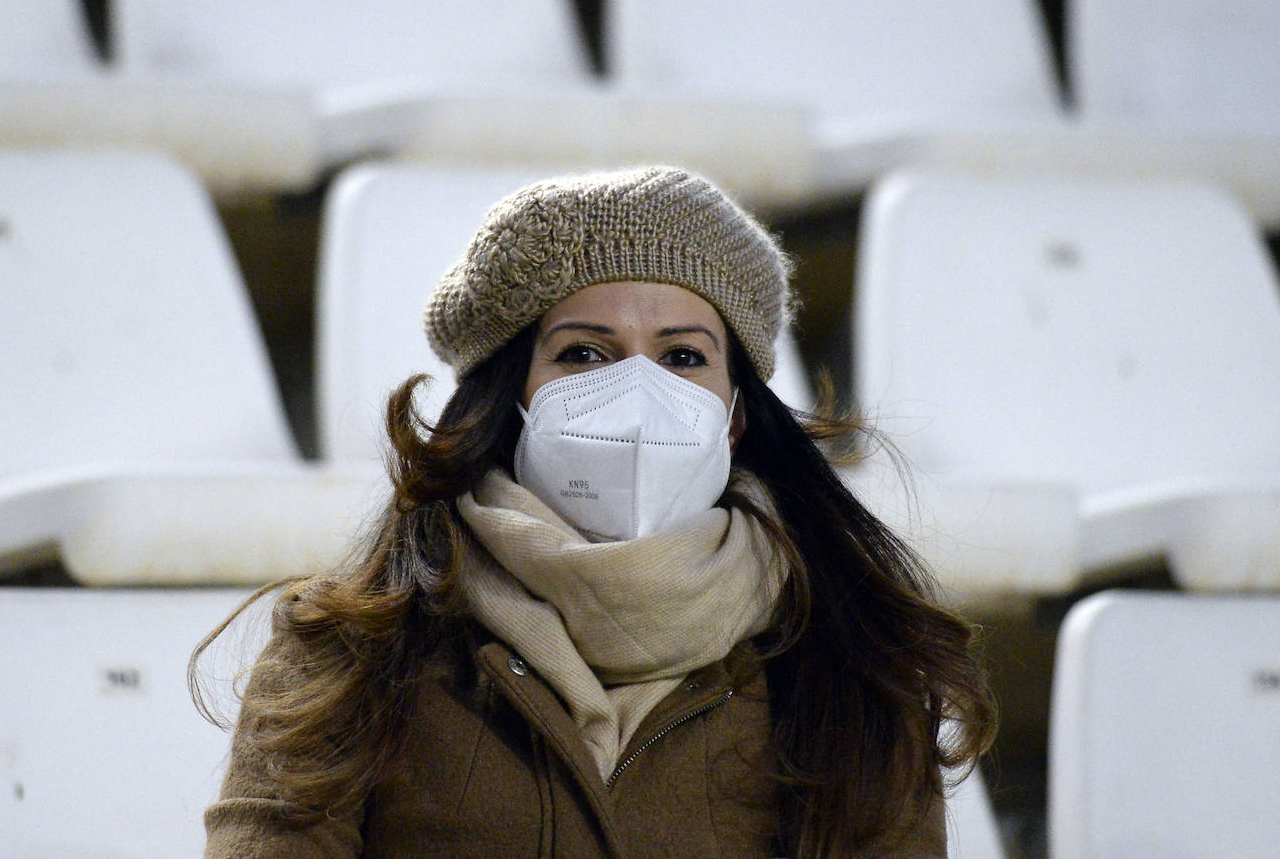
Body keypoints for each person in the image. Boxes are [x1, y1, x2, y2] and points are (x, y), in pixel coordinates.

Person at [196, 166, 995, 857]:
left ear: (736, 416)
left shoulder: (855, 669)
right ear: (512, 398)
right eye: (584, 353)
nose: (639, 395)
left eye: (684, 357)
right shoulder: (348, 652)